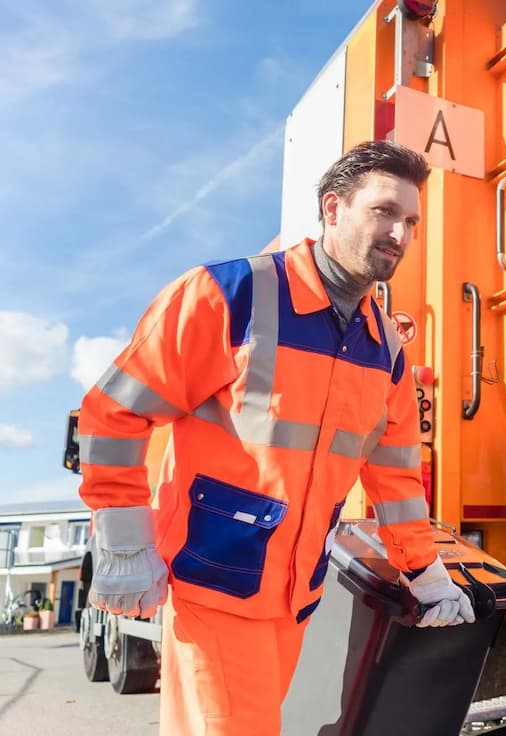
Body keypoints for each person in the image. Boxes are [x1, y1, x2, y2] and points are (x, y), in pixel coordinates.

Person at [78, 140, 474, 735]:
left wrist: (426, 571)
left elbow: (394, 478)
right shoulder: (229, 297)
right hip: (215, 584)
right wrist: (125, 540)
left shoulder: (386, 347)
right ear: (333, 207)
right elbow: (114, 413)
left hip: (296, 598)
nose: (400, 232)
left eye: (411, 221)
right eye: (384, 211)